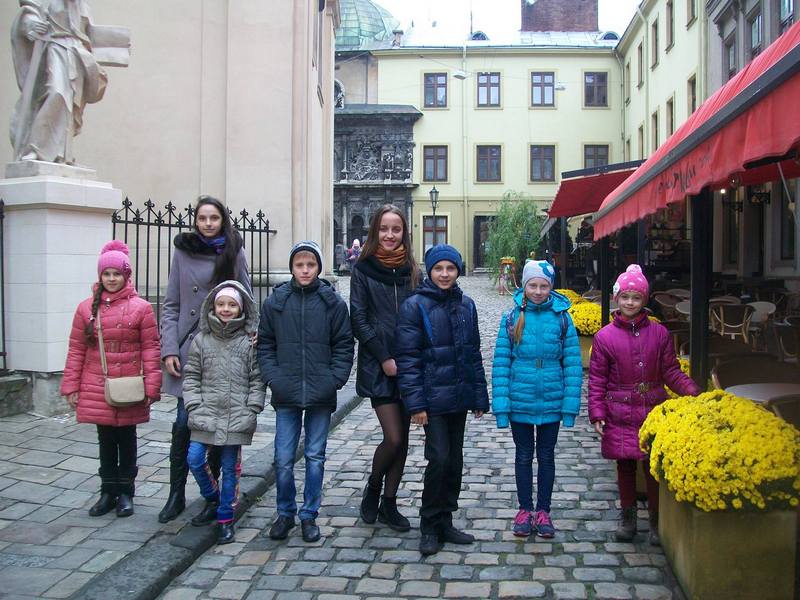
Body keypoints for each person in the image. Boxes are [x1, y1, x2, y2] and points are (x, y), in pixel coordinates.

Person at [588, 264, 700, 545]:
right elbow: (597, 380)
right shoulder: (604, 337)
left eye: (636, 298)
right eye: (625, 297)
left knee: (652, 467)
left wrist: (692, 391)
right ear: (617, 298)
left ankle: (655, 520)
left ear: (644, 300)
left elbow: (670, 371)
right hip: (619, 411)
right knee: (625, 466)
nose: (630, 303)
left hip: (653, 409)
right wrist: (597, 412)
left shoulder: (659, 334)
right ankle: (628, 518)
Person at [158, 195, 252, 523]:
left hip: (222, 350)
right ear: (195, 221)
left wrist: (249, 338)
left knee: (214, 429)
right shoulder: (183, 252)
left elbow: (247, 300)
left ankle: (211, 497)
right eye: (202, 218)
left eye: (213, 218)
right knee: (184, 424)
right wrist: (169, 348)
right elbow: (171, 304)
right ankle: (175, 494)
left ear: (222, 220)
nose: (208, 224)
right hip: (188, 351)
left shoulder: (234, 251)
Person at [395, 244, 489, 556]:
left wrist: (478, 395)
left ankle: (446, 520)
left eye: (450, 268)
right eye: (439, 268)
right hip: (432, 399)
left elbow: (473, 353)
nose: (445, 274)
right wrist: (416, 405)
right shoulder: (415, 306)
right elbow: (408, 359)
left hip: (458, 396)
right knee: (439, 459)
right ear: (430, 271)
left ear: (457, 270)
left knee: (454, 461)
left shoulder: (467, 305)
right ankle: (429, 524)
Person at [258, 241, 354, 543]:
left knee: (315, 456)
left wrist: (334, 379)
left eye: (310, 265)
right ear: (292, 268)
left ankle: (309, 514)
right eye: (299, 265)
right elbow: (265, 344)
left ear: (318, 268)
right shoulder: (276, 302)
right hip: (286, 391)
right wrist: (274, 378)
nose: (305, 270)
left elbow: (344, 344)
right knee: (283, 458)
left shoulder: (332, 303)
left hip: (320, 391)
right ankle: (285, 512)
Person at [61, 241, 161, 517]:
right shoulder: (86, 309)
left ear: (126, 275)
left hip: (129, 385)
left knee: (127, 439)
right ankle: (107, 490)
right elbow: (77, 349)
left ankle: (126, 491)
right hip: (97, 383)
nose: (112, 279)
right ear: (100, 276)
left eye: (117, 273)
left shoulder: (141, 308)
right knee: (105, 439)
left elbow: (151, 348)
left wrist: (152, 385)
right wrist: (71, 385)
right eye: (107, 274)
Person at [491, 260, 582, 539]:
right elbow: (501, 364)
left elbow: (573, 365)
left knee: (546, 456)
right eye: (533, 285)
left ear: (551, 287)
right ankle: (524, 509)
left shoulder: (563, 319)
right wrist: (502, 408)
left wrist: (569, 408)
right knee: (522, 456)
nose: (539, 291)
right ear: (525, 286)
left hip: (552, 400)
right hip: (521, 399)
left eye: (544, 286)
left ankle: (543, 510)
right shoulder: (511, 318)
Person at [350, 205, 421, 532]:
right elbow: (359, 318)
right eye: (384, 229)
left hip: (409, 363)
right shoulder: (363, 269)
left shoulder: (413, 270)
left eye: (396, 229)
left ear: (404, 232)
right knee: (392, 438)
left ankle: (389, 504)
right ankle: (374, 486)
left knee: (403, 439)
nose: (390, 235)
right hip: (379, 365)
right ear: (374, 232)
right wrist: (383, 357)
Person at [183, 281, 265, 544]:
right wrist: (193, 404)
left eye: (231, 305)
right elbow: (191, 375)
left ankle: (225, 516)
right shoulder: (202, 340)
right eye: (221, 304)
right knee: (195, 458)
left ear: (240, 309)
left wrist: (253, 407)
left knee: (231, 468)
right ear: (213, 306)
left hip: (236, 414)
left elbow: (257, 378)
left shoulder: (248, 342)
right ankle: (213, 497)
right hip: (205, 412)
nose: (226, 309)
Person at [10, 0, 128, 163]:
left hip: (77, 55)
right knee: (57, 92)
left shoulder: (82, 6)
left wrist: (116, 45)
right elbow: (29, 12)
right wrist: (31, 25)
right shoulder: (47, 2)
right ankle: (36, 148)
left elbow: (91, 34)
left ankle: (62, 155)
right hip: (55, 49)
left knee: (70, 104)